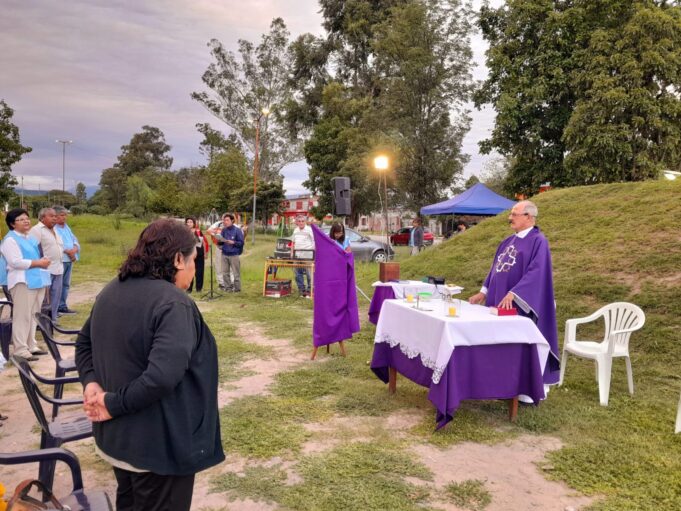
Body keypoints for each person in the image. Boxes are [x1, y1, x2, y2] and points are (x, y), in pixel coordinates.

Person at [75, 219, 224, 511]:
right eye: (194, 259)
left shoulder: (113, 289)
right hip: (158, 446)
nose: (195, 270)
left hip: (119, 440)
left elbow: (83, 344)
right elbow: (161, 377)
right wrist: (111, 402)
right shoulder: (172, 303)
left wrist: (92, 383)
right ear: (179, 259)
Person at [468, 200, 560, 387]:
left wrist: (515, 293)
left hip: (517, 304)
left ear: (528, 216)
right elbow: (495, 269)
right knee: (495, 342)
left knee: (516, 346)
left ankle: (522, 386)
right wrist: (483, 292)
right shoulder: (507, 242)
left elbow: (537, 272)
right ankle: (495, 380)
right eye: (510, 214)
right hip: (497, 301)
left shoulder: (538, 241)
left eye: (514, 214)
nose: (510, 218)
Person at [0, 208, 51, 361]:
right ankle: (20, 349)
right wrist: (38, 263)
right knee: (22, 316)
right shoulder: (10, 240)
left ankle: (31, 344)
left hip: (36, 280)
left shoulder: (29, 237)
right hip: (22, 281)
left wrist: (43, 262)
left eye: (27, 218)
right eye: (21, 219)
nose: (26, 221)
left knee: (33, 314)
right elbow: (15, 262)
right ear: (12, 224)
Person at [29, 207, 64, 322]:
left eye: (55, 216)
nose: (55, 218)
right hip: (45, 270)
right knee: (44, 299)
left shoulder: (55, 230)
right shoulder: (37, 230)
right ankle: (41, 321)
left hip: (58, 268)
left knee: (56, 297)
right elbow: (33, 250)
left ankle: (52, 320)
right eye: (51, 216)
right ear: (43, 218)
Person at [54, 206, 80, 314]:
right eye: (61, 215)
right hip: (61, 259)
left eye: (65, 215)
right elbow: (56, 243)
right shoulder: (54, 228)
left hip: (69, 259)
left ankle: (62, 305)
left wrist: (75, 249)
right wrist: (69, 252)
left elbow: (74, 239)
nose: (64, 217)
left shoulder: (66, 227)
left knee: (66, 284)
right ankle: (55, 308)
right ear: (55, 216)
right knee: (57, 285)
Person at [218, 213, 244, 293]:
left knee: (236, 273)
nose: (225, 222)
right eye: (224, 220)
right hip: (224, 254)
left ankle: (237, 289)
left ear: (232, 220)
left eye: (227, 220)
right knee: (225, 273)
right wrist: (219, 241)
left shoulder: (237, 230)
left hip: (234, 254)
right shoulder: (223, 230)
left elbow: (241, 243)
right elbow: (221, 242)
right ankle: (228, 288)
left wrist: (233, 242)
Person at [291, 214, 315, 297]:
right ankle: (301, 290)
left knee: (309, 274)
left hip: (308, 255)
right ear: (297, 222)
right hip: (297, 255)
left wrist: (313, 252)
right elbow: (293, 242)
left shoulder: (309, 230)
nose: (301, 223)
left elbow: (314, 241)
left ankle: (309, 290)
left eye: (302, 221)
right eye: (299, 221)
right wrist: (292, 253)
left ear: (305, 222)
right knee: (297, 274)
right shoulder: (295, 230)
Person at [185, 217, 208, 293]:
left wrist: (205, 253)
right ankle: (189, 288)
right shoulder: (184, 232)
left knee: (199, 271)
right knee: (189, 271)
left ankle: (199, 289)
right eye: (187, 222)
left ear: (194, 223)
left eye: (191, 222)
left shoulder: (198, 231)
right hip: (189, 254)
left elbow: (203, 242)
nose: (189, 223)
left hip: (199, 254)